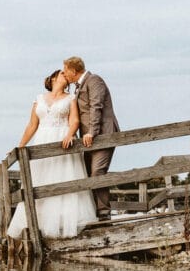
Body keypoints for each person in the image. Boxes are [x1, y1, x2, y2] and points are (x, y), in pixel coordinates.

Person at [6, 69, 97, 240]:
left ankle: (62, 226)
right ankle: (36, 223)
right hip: (42, 140)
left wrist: (70, 134)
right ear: (54, 77)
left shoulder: (71, 98)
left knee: (62, 179)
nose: (67, 76)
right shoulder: (39, 99)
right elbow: (32, 125)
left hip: (61, 140)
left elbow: (75, 121)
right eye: (63, 73)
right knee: (41, 179)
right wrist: (20, 146)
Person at [61, 56, 120, 221]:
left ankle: (104, 213)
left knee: (97, 172)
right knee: (87, 173)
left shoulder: (94, 80)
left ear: (73, 70)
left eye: (66, 71)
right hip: (89, 139)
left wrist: (92, 132)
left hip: (103, 134)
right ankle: (93, 211)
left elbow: (96, 106)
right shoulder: (78, 86)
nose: (65, 74)